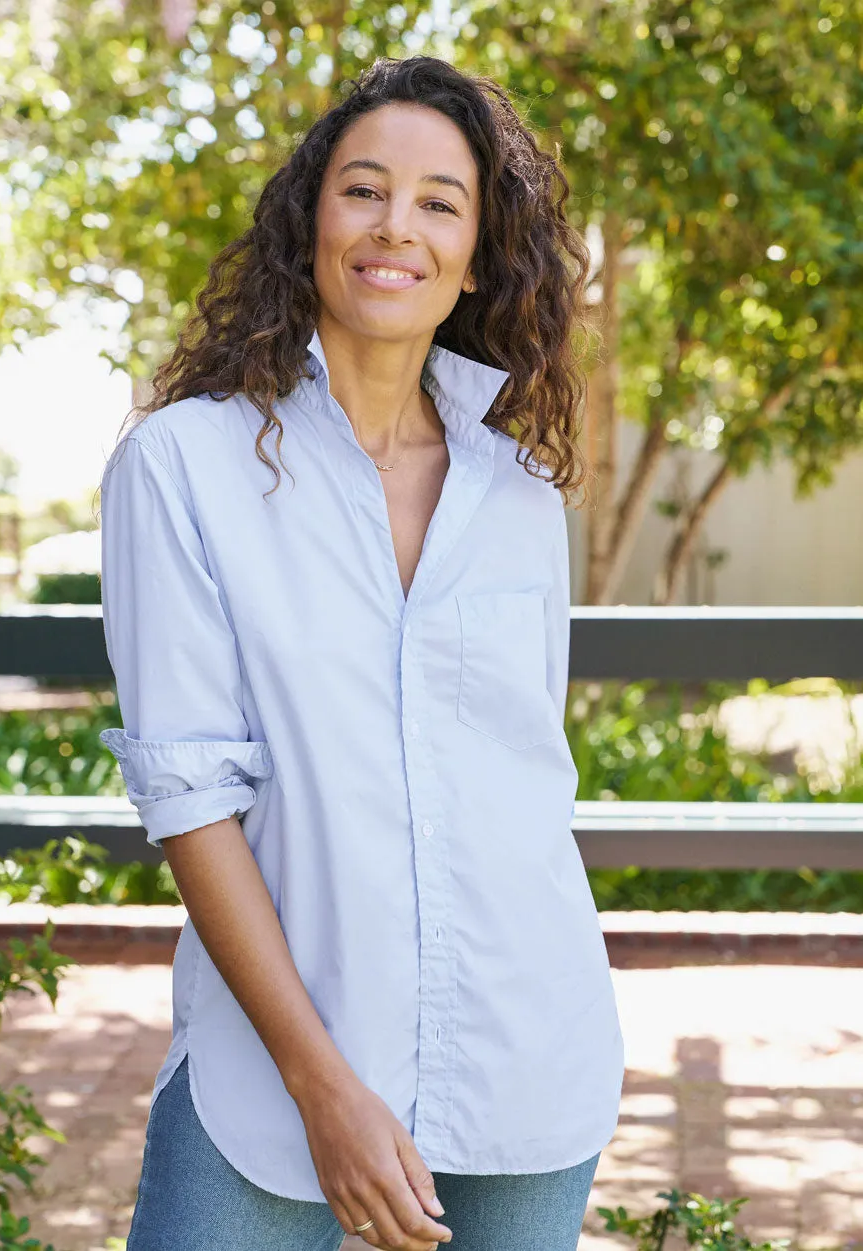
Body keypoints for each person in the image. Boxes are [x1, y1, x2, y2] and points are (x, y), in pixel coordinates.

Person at [98, 54, 624, 1251]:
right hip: (265, 1091)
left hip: (524, 1060)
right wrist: (322, 1087)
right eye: (363, 190)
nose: (399, 228)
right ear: (309, 222)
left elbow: (524, 777)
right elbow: (189, 804)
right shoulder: (183, 466)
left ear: (481, 254)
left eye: (441, 202)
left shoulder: (518, 492)